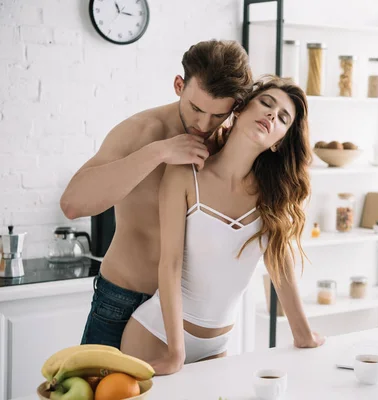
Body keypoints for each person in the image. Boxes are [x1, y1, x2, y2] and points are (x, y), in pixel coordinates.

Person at [120, 76, 326, 375]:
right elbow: (171, 264)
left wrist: (303, 334)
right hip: (157, 336)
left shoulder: (273, 196)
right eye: (266, 104)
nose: (271, 115)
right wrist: (176, 353)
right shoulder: (185, 175)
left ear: (278, 142)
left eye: (283, 118)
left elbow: (280, 266)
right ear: (239, 110)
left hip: (217, 347)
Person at [59, 40, 254, 348]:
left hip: (196, 315)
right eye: (196, 108)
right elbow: (72, 204)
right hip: (126, 300)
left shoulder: (234, 145)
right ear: (179, 85)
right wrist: (158, 153)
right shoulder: (142, 131)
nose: (204, 124)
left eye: (219, 115)